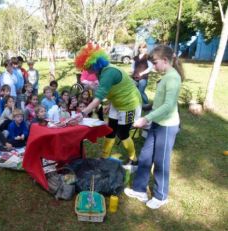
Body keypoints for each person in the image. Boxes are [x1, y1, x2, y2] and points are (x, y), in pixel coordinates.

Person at [124, 45, 183, 209]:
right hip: (157, 123)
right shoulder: (166, 76)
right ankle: (139, 189)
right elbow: (159, 103)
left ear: (165, 60)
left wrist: (146, 119)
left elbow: (169, 105)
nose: (154, 67)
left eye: (155, 63)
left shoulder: (172, 78)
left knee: (161, 161)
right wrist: (149, 113)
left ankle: (161, 196)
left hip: (167, 126)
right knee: (145, 156)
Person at [76, 43, 142, 168]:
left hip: (129, 104)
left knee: (123, 134)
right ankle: (105, 157)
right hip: (117, 103)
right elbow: (115, 88)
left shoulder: (108, 73)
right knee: (110, 130)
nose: (86, 70)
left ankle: (134, 160)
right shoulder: (99, 72)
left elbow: (98, 98)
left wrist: (83, 113)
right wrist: (110, 103)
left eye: (88, 66)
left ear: (96, 63)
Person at [131, 43, 153, 108]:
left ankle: (147, 105)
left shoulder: (147, 57)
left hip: (143, 78)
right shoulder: (136, 57)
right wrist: (133, 71)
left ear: (146, 49)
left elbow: (150, 67)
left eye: (143, 47)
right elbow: (132, 66)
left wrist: (142, 73)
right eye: (140, 47)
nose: (141, 49)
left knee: (141, 91)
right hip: (135, 77)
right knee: (134, 91)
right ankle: (136, 105)